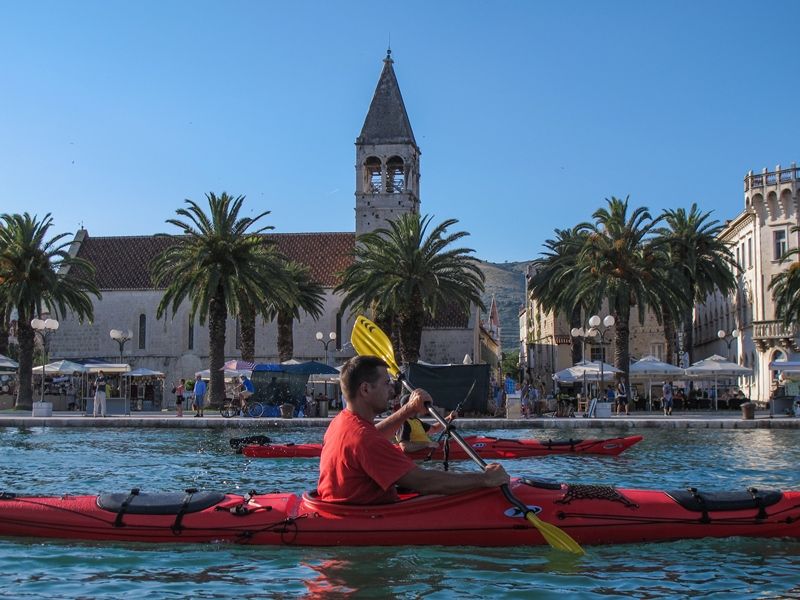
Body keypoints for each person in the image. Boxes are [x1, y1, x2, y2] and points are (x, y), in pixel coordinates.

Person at [317, 355, 509, 505]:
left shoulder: (341, 423)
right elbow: (425, 482)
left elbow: (371, 436)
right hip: (368, 517)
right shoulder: (364, 439)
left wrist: (408, 410)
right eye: (386, 383)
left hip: (342, 506)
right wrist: (484, 479)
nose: (392, 389)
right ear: (365, 389)